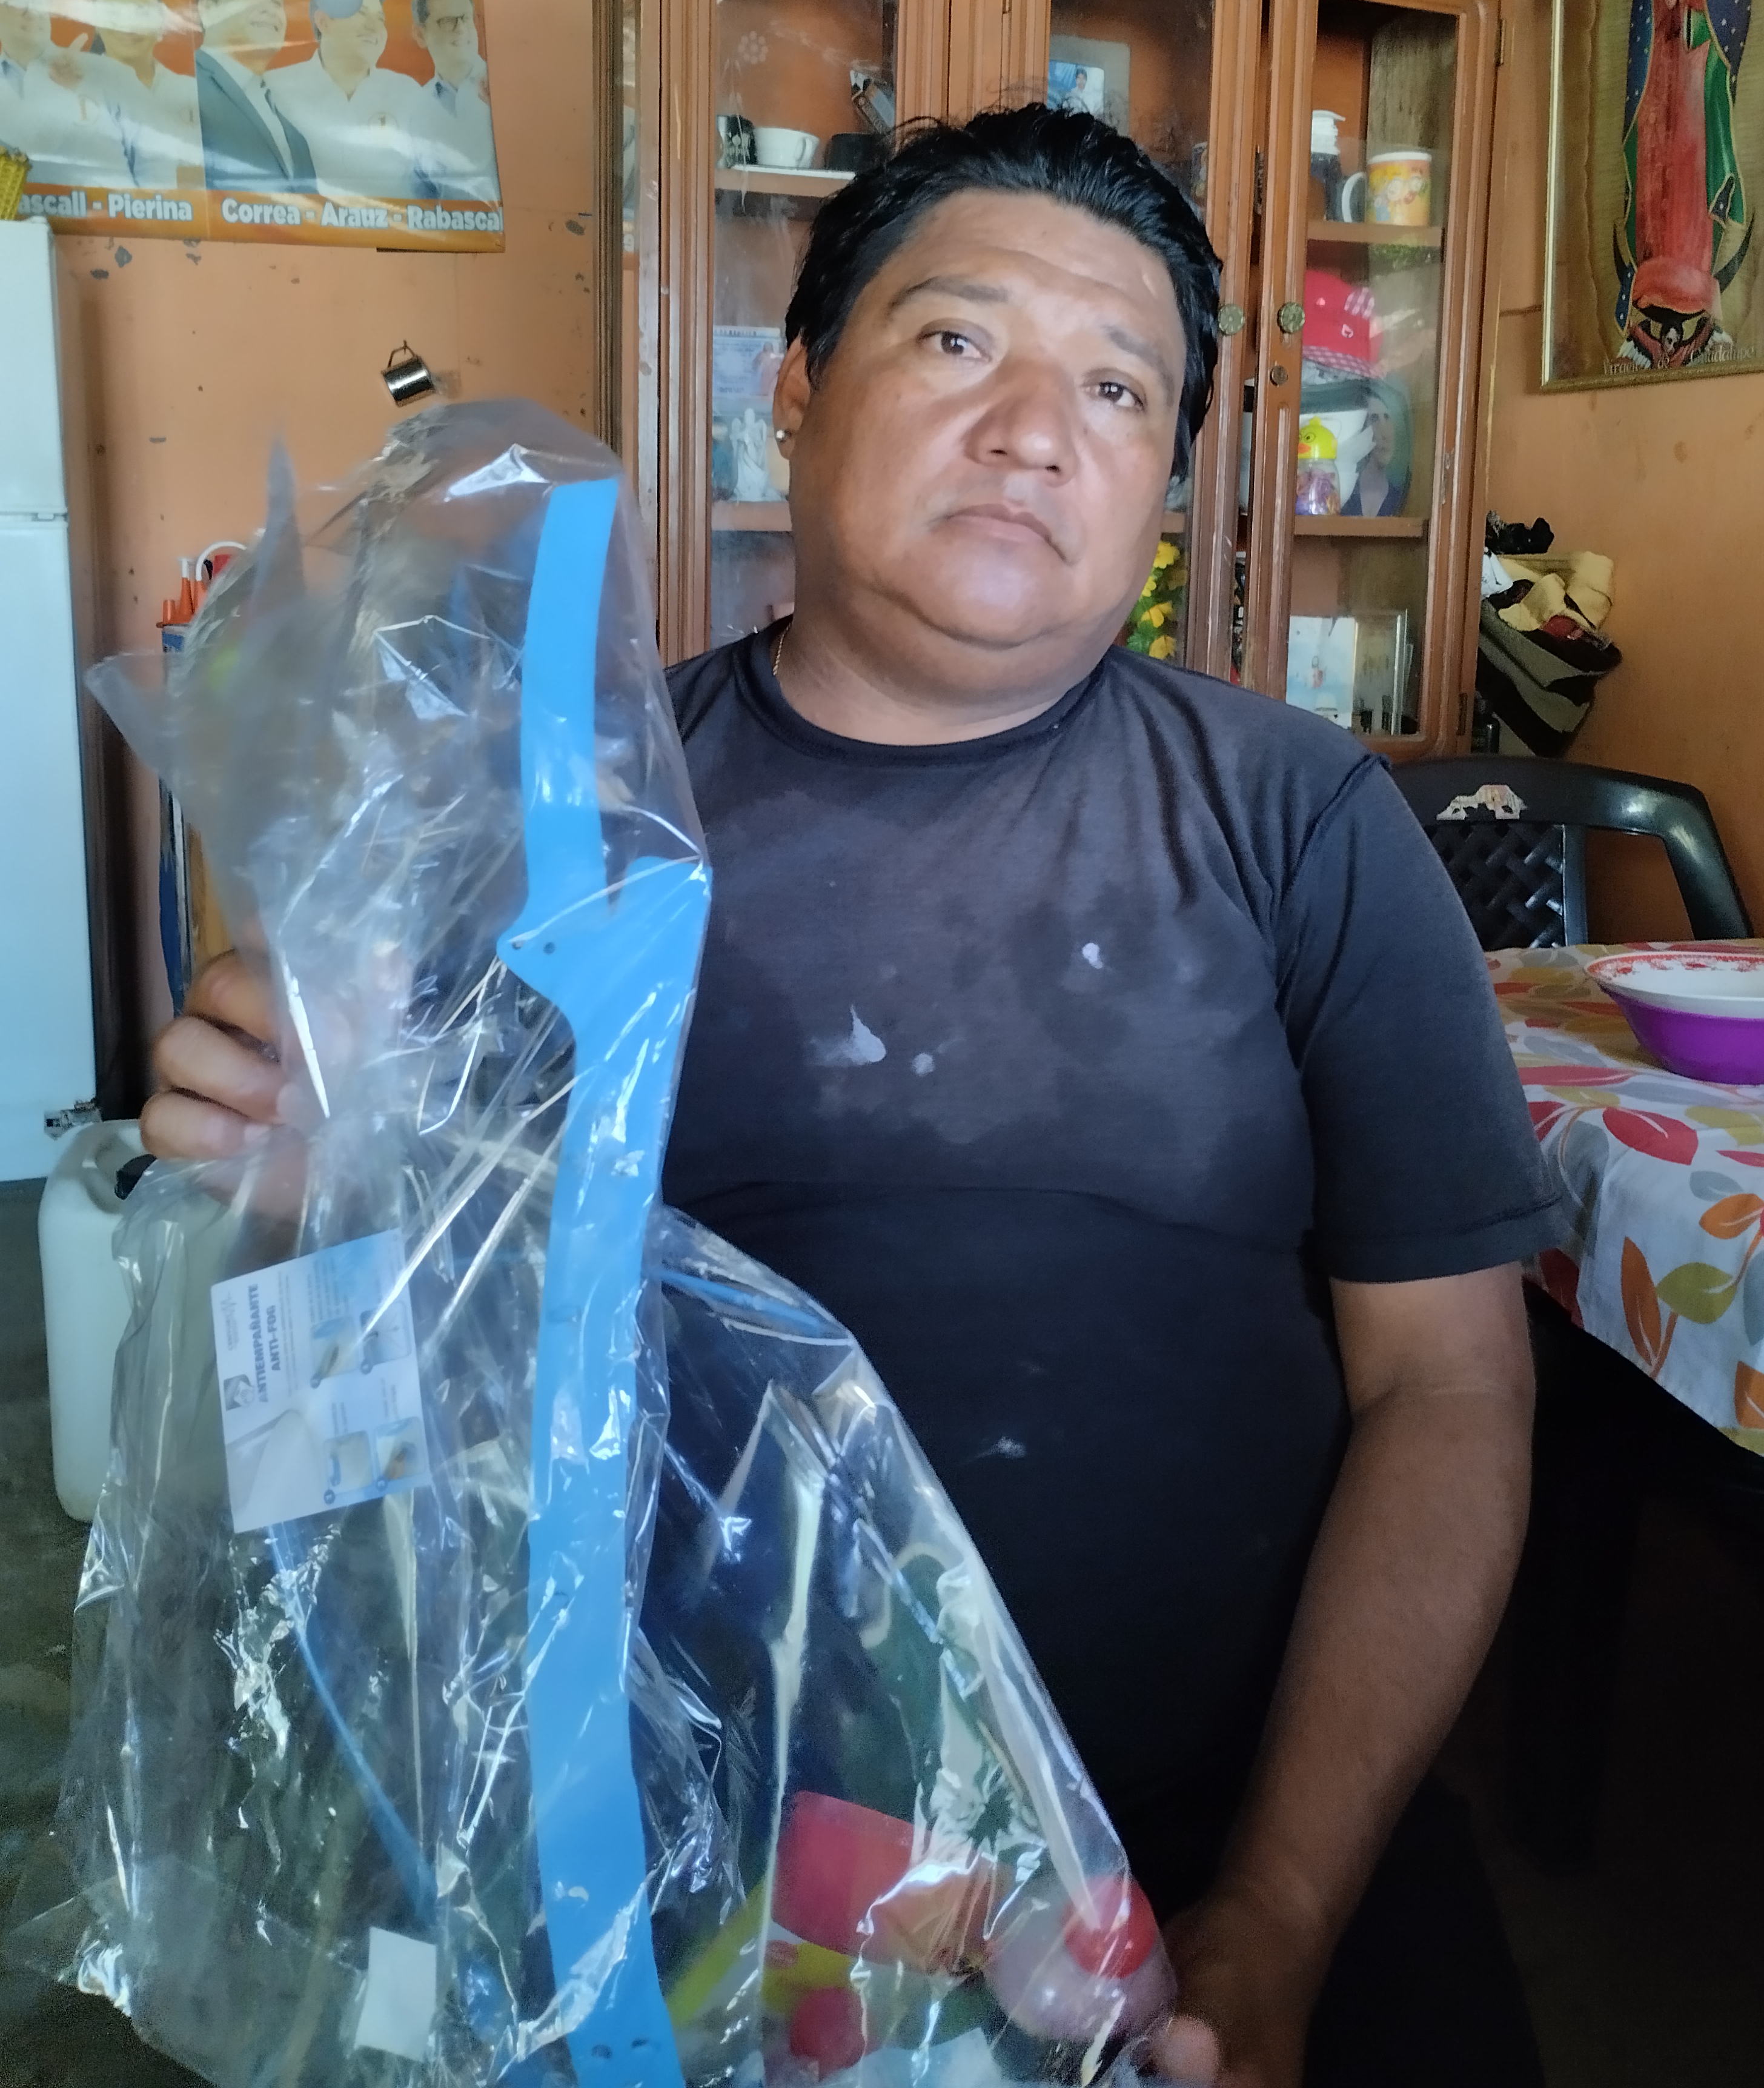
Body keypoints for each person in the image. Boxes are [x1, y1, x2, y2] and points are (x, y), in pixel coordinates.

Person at [144, 106, 1559, 2088]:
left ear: (1166, 480)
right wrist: (298, 1213)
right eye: (958, 339)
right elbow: (361, 1435)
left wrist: (1282, 1908)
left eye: (1119, 386)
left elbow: (1452, 1388)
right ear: (794, 393)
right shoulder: (562, 844)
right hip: (672, 1878)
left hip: (1230, 1837)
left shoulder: (1300, 821)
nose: (1036, 431)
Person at [1615, 0, 1751, 371]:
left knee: (1693, 166)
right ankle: (1654, 281)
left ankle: (1693, 280)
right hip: (1663, 63)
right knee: (1656, 167)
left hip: (1698, 62)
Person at [268, 0, 425, 201]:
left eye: (380, 19)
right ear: (324, 22)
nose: (374, 28)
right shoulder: (274, 89)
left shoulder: (408, 92)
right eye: (361, 13)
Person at [61, 0, 204, 190]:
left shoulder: (194, 94)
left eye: (140, 11)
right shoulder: (70, 89)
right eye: (113, 11)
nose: (128, 23)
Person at [0, 0, 133, 187]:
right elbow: (30, 149)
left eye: (38, 0)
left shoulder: (108, 72)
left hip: (113, 208)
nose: (31, 11)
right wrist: (62, 92)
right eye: (16, 1)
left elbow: (156, 163)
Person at [193, 0, 316, 194]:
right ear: (208, 10)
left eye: (276, 2)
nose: (270, 10)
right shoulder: (185, 86)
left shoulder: (296, 139)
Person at [406, 0, 501, 205]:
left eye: (466, 18)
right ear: (420, 35)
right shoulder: (417, 106)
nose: (461, 29)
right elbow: (419, 190)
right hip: (448, 225)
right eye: (448, 21)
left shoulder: (504, 87)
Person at [1340, 377, 1413, 519]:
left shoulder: (1401, 500)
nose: (1384, 433)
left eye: (1388, 418)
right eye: (1374, 419)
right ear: (1362, 428)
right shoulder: (1343, 494)